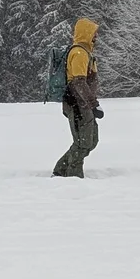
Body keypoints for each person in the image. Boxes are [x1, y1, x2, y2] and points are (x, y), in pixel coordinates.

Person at [52, 17, 104, 178]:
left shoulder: (86, 52)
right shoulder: (79, 53)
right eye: (94, 33)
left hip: (83, 105)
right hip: (77, 105)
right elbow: (78, 82)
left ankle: (61, 170)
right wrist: (93, 104)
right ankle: (73, 176)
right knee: (83, 143)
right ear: (86, 33)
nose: (96, 36)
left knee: (91, 141)